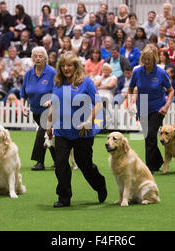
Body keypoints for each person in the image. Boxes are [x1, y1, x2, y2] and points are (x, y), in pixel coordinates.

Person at [47, 51, 107, 207]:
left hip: (83, 131)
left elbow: (98, 103)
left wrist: (88, 121)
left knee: (85, 165)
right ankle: (64, 198)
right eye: (63, 65)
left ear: (76, 66)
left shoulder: (86, 82)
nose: (66, 68)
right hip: (62, 131)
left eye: (69, 65)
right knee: (60, 165)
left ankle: (100, 184)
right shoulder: (58, 82)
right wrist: (48, 125)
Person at [128, 44, 174, 173]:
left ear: (154, 59)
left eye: (149, 59)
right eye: (144, 59)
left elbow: (171, 91)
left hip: (158, 108)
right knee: (149, 138)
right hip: (142, 106)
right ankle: (158, 160)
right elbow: (131, 88)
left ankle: (149, 168)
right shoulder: (137, 71)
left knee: (150, 136)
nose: (146, 62)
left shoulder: (161, 72)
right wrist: (131, 101)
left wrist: (166, 106)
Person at [20, 47, 56, 171]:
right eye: (35, 56)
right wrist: (22, 106)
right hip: (35, 111)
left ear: (45, 58)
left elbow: (59, 90)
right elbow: (23, 93)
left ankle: (39, 161)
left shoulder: (52, 72)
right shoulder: (29, 73)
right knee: (48, 134)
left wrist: (51, 100)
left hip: (51, 110)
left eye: (40, 56)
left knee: (41, 134)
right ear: (32, 58)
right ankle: (59, 160)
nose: (38, 58)